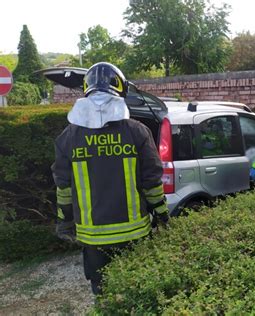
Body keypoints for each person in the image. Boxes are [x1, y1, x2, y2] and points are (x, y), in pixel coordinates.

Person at [51, 62, 169, 295]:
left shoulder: (68, 137)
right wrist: (162, 214)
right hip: (134, 234)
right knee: (137, 290)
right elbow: (152, 181)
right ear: (120, 90)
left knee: (103, 292)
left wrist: (64, 221)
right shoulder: (137, 131)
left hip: (93, 238)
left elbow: (63, 187)